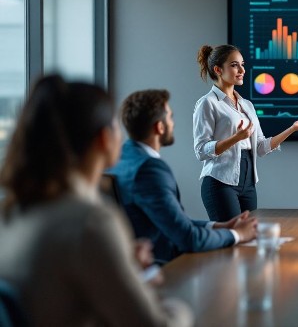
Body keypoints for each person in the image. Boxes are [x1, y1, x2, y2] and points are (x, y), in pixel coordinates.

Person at [0, 75, 192, 326]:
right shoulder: (91, 222)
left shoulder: (11, 211)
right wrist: (182, 308)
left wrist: (122, 263)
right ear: (104, 138)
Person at [108, 89, 257, 264]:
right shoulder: (150, 170)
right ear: (159, 127)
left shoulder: (125, 157)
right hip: (164, 265)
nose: (173, 123)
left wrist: (218, 226)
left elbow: (174, 221)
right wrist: (237, 234)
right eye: (170, 117)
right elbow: (189, 238)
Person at [194, 44, 298, 221]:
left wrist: (292, 129)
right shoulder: (208, 103)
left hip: (248, 184)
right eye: (234, 65)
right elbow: (201, 150)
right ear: (218, 69)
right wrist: (236, 138)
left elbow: (261, 147)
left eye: (242, 64)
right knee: (232, 240)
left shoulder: (247, 105)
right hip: (220, 183)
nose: (242, 70)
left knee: (249, 240)